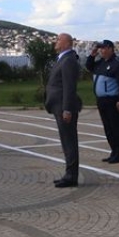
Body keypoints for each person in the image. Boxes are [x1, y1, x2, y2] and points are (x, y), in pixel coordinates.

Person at [45, 33, 81, 188]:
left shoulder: (68, 60)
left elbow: (69, 87)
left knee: (69, 141)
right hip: (58, 105)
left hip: (63, 106)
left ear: (67, 43)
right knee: (66, 141)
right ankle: (69, 173)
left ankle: (71, 176)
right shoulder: (63, 58)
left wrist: (67, 109)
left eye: (59, 39)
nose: (56, 42)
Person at [85, 39, 119, 164]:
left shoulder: (118, 64)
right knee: (108, 128)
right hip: (101, 100)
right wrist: (92, 54)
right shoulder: (100, 63)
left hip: (113, 101)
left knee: (117, 128)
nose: (101, 50)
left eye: (104, 48)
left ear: (111, 49)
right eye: (100, 48)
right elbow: (88, 67)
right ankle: (114, 151)